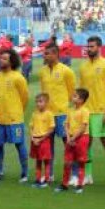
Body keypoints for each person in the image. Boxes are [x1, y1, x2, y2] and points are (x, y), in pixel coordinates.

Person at [79, 37, 105, 188]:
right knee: (86, 143)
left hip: (102, 111)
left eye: (92, 46)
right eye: (88, 46)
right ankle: (88, 176)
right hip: (86, 111)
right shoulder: (83, 67)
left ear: (99, 47)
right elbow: (82, 91)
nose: (89, 49)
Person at [0, 48, 30, 182]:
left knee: (19, 145)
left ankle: (25, 173)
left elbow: (25, 97)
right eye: (0, 58)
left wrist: (18, 111)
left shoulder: (18, 77)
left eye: (4, 58)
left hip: (14, 119)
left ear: (11, 61)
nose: (1, 60)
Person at [38, 44, 76, 174]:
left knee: (68, 143)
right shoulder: (42, 71)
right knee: (47, 145)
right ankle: (49, 174)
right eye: (44, 53)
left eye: (47, 53)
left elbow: (72, 93)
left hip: (62, 113)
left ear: (55, 55)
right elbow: (43, 91)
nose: (45, 56)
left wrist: (69, 110)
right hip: (47, 114)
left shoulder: (66, 71)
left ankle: (75, 174)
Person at [57, 88, 91, 194]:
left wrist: (73, 138)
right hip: (71, 138)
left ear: (81, 100)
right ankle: (64, 184)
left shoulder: (85, 111)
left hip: (81, 138)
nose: (73, 97)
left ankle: (80, 185)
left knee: (81, 162)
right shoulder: (70, 110)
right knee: (67, 162)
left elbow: (83, 127)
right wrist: (68, 137)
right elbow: (66, 124)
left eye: (75, 96)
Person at [30, 93, 56, 187]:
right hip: (35, 140)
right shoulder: (34, 114)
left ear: (46, 103)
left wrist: (40, 139)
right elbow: (31, 127)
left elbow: (51, 129)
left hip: (44, 140)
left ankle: (46, 179)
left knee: (46, 160)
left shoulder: (49, 114)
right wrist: (32, 137)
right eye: (37, 102)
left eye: (40, 101)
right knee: (38, 160)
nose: (38, 104)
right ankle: (37, 179)